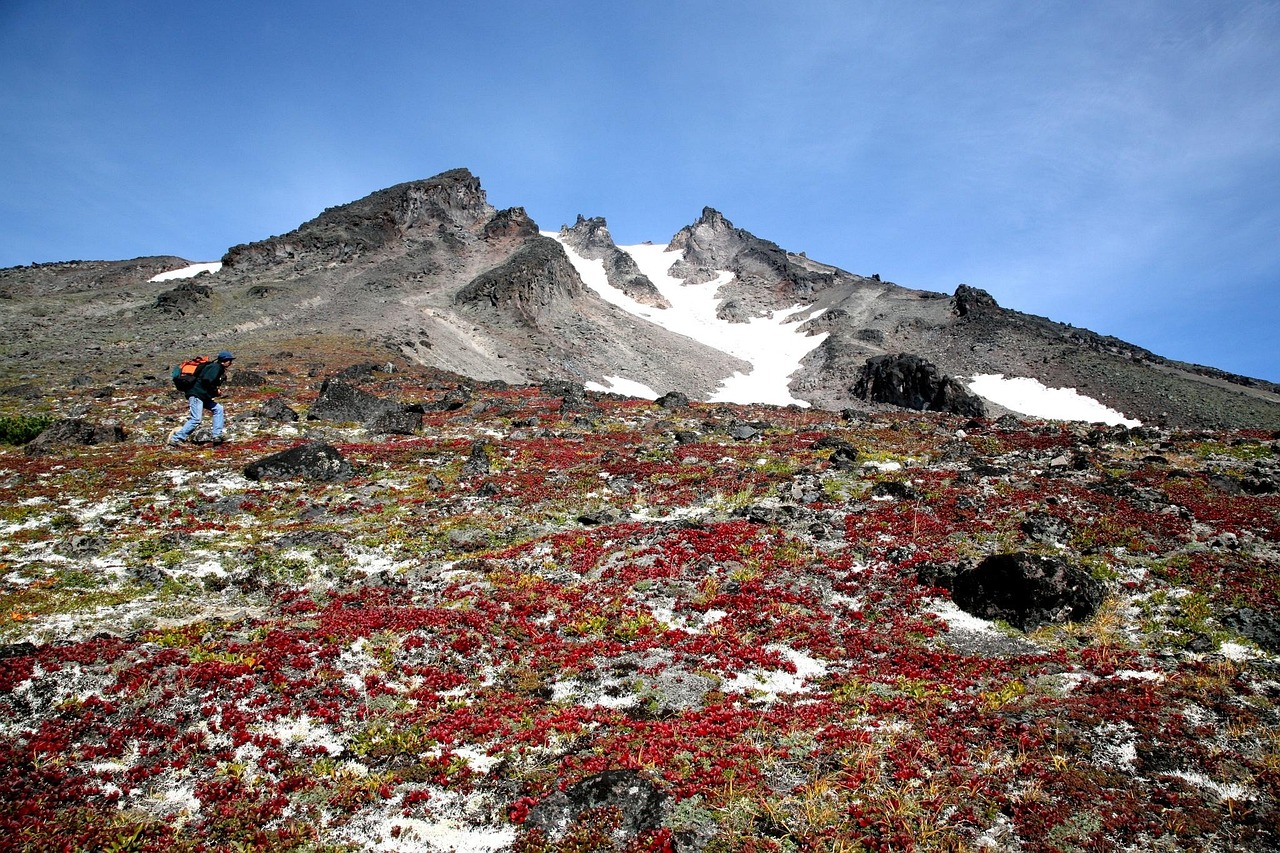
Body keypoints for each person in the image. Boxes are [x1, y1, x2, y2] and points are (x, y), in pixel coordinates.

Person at [168, 350, 234, 446]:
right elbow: (207, 380)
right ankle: (176, 438)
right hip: (196, 394)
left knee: (218, 408)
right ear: (224, 360)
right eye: (229, 360)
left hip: (202, 395)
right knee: (196, 419)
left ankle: (217, 435)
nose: (230, 362)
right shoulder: (216, 367)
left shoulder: (215, 367)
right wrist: (215, 391)